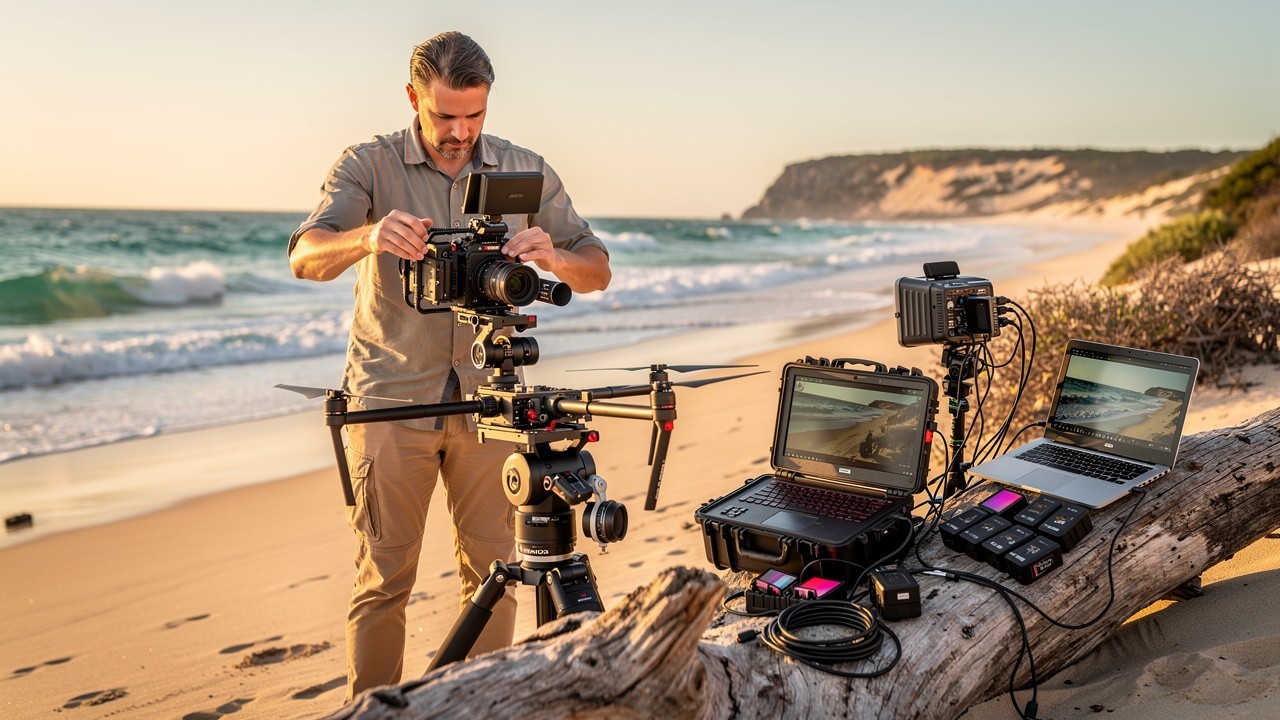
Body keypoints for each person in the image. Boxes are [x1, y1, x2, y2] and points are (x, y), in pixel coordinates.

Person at [287, 31, 610, 699]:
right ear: (414, 98)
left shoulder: (525, 169)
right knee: (383, 580)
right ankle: (372, 713)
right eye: (445, 116)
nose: (460, 132)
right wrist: (370, 236)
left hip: (493, 405)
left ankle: (476, 708)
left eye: (475, 115)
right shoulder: (369, 164)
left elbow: (596, 269)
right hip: (390, 403)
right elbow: (305, 256)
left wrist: (552, 257)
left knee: (495, 576)